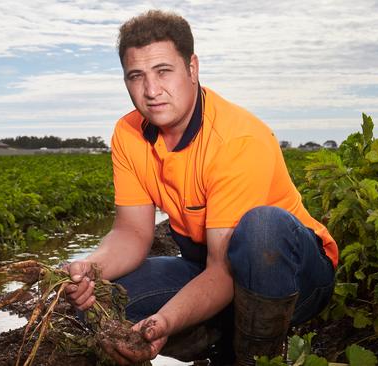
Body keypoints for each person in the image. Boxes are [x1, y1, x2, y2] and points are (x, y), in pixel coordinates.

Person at [65, 9, 338, 366]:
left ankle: (256, 357)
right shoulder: (128, 133)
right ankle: (214, 339)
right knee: (100, 299)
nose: (151, 90)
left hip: (290, 276)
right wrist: (90, 268)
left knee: (262, 229)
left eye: (163, 71)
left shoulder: (237, 138)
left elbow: (225, 270)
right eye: (136, 76)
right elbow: (131, 232)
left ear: (192, 68)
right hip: (208, 267)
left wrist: (166, 320)